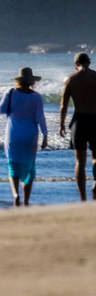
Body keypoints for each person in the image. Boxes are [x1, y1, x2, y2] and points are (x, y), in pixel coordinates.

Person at [0, 67, 48, 207]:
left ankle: (15, 195)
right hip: (30, 135)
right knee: (29, 167)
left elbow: (1, 110)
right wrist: (45, 135)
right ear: (32, 82)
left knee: (13, 165)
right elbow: (40, 118)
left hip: (13, 134)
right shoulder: (36, 97)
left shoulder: (11, 93)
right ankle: (26, 200)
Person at [59, 52, 96, 201]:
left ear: (76, 64)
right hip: (95, 119)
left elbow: (64, 105)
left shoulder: (71, 79)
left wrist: (61, 124)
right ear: (90, 62)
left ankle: (82, 198)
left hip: (79, 120)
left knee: (80, 161)